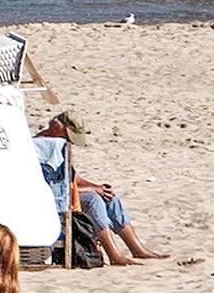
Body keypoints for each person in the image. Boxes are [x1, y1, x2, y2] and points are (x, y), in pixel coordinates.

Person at [33, 112, 167, 265]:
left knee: (111, 199)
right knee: (93, 200)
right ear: (58, 128)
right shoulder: (41, 147)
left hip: (68, 193)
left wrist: (98, 187)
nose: (70, 141)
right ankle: (114, 255)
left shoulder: (61, 146)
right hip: (53, 198)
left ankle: (137, 249)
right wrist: (93, 190)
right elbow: (54, 187)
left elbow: (74, 179)